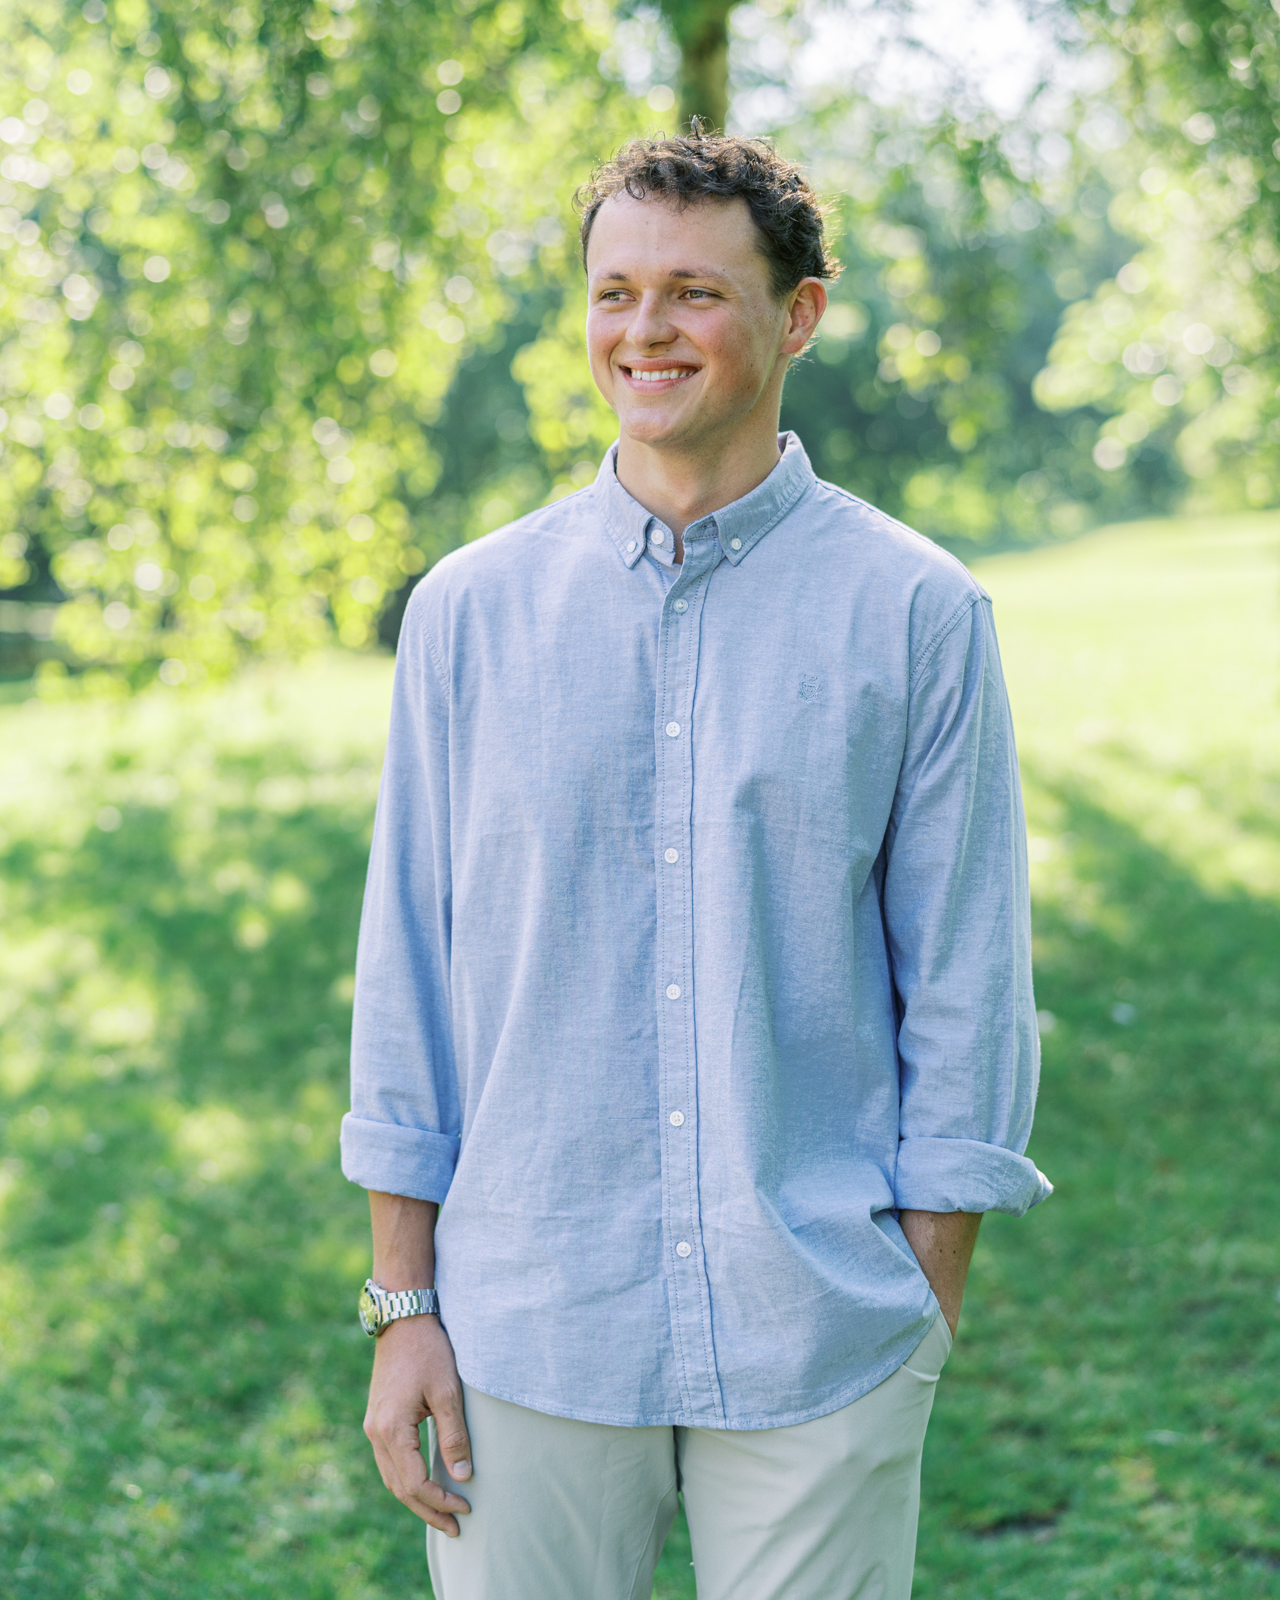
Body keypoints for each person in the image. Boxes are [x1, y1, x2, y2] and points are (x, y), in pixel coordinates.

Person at [340, 129, 1051, 1600]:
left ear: (798, 315)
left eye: (693, 294)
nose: (644, 332)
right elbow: (409, 967)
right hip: (523, 1323)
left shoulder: (918, 612)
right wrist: (404, 1300)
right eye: (614, 293)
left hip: (820, 1324)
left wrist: (922, 1304)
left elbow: (968, 978)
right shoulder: (468, 614)